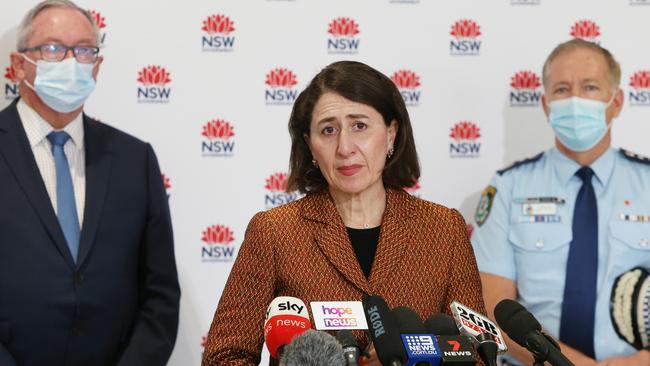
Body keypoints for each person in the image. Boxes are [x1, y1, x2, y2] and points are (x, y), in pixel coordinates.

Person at [202, 60, 486, 365]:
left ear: (391, 133)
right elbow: (224, 357)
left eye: (359, 126)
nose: (344, 147)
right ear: (310, 146)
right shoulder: (274, 231)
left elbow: (478, 354)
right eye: (328, 130)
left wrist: (415, 352)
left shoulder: (443, 229)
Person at [0, 1, 180, 365]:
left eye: (83, 50)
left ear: (97, 67)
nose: (70, 62)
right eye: (52, 49)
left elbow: (159, 293)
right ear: (19, 65)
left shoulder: (134, 159)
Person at [471, 38, 650, 366]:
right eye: (562, 90)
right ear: (545, 104)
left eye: (591, 87)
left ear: (617, 101)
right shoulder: (509, 187)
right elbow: (492, 307)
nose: (576, 100)